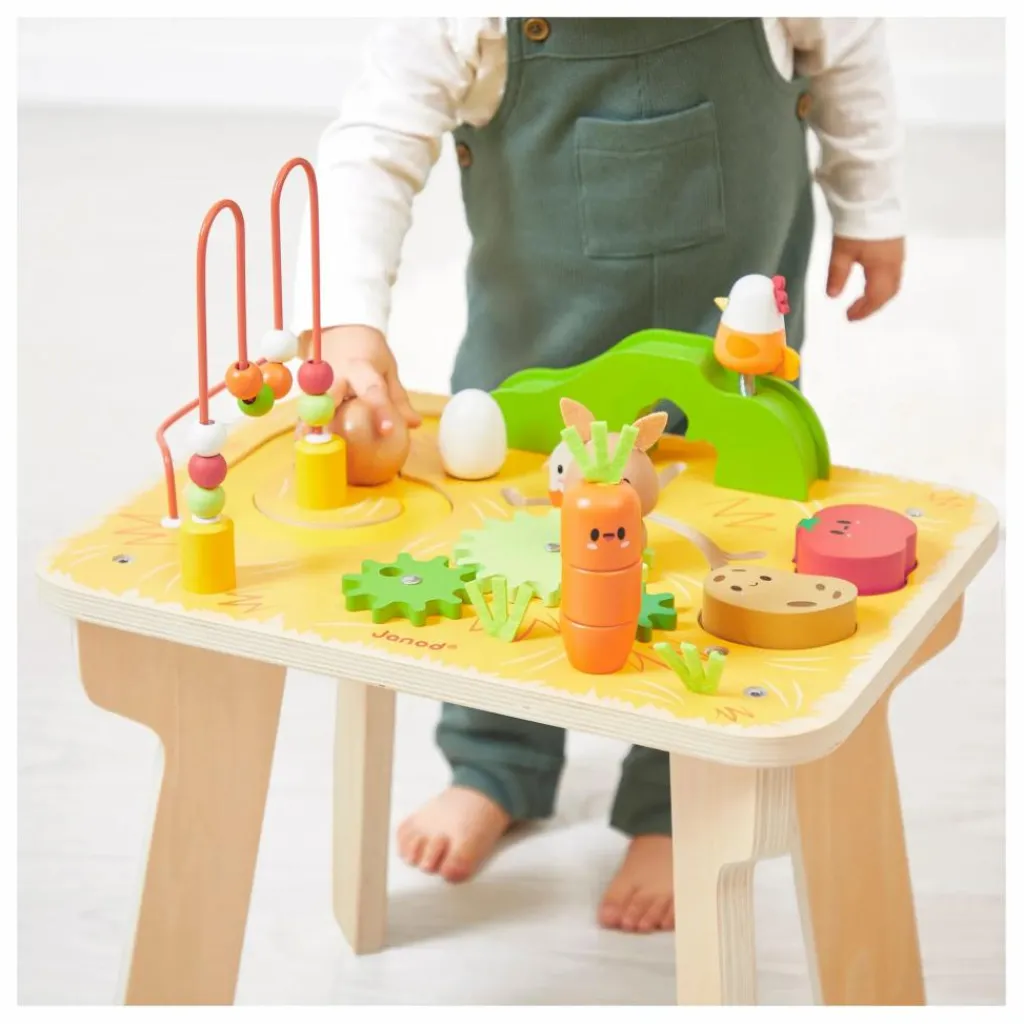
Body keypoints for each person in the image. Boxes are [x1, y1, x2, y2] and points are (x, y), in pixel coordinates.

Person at [291, 16, 905, 934]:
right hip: (538, 361)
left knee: (717, 564)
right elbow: (376, 139)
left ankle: (675, 798)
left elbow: (850, 51)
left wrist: (870, 206)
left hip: (724, 371)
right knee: (506, 558)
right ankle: (496, 760)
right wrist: (348, 317)